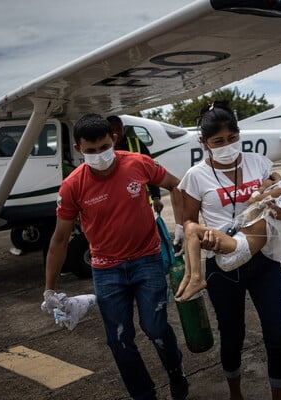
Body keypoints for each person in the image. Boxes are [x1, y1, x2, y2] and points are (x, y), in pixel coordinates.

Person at [44, 113, 188, 400]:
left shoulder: (138, 163)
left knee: (155, 326)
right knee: (119, 339)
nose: (100, 155)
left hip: (147, 260)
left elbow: (176, 185)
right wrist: (49, 289)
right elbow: (59, 240)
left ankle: (175, 371)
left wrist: (182, 226)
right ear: (78, 150)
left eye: (104, 147)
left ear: (114, 139)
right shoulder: (73, 186)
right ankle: (143, 395)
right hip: (106, 269)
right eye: (91, 151)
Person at [178, 101, 281, 400]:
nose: (227, 146)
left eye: (232, 138)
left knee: (278, 337)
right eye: (218, 142)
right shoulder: (195, 176)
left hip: (264, 261)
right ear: (204, 143)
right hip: (224, 266)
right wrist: (203, 239)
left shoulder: (259, 163)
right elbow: (189, 221)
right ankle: (235, 394)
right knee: (232, 337)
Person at [175, 167, 281, 302]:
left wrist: (261, 190)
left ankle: (193, 276)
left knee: (191, 229)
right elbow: (273, 175)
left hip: (239, 248)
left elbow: (253, 200)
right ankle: (191, 277)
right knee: (191, 230)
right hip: (239, 248)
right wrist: (274, 181)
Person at [107, 115, 164, 213]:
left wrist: (156, 197)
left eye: (119, 129)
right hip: (116, 201)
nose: (117, 133)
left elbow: (151, 170)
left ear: (123, 128)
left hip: (139, 198)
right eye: (113, 130)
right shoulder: (104, 149)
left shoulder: (136, 143)